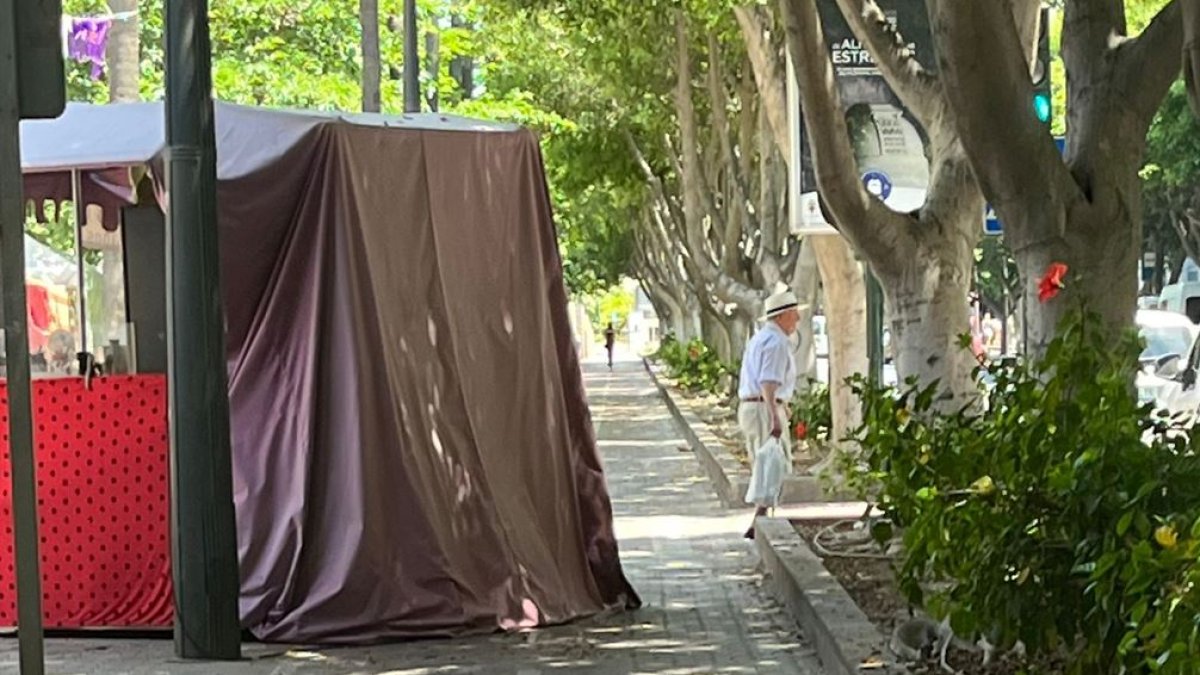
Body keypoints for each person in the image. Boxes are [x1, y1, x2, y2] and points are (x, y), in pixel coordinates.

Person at [738, 288, 800, 540]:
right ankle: (760, 519)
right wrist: (775, 414)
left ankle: (761, 517)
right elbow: (768, 381)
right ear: (783, 316)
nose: (797, 319)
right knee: (772, 463)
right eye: (794, 314)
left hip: (754, 406)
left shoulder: (761, 338)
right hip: (763, 407)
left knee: (764, 463)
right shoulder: (776, 342)